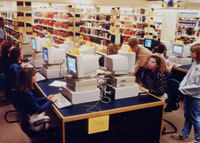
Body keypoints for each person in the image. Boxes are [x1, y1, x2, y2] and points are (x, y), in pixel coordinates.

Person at [171, 43, 200, 143]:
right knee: (187, 115)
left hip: (196, 97)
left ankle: (198, 139)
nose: (191, 53)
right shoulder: (195, 63)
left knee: (195, 118)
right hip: (188, 94)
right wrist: (182, 86)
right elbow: (187, 77)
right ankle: (184, 134)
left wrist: (183, 89)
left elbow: (198, 87)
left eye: (193, 52)